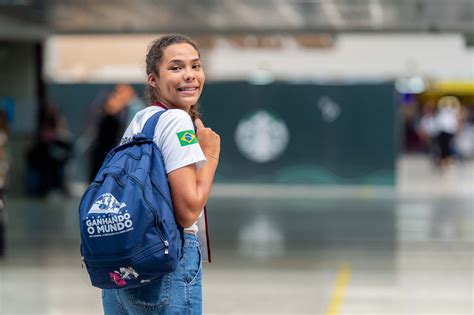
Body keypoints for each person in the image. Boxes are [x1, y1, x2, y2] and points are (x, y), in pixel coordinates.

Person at [101, 34, 220, 314]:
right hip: (163, 266)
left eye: (196, 66)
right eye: (176, 68)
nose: (190, 75)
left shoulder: (143, 119)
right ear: (153, 79)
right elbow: (187, 211)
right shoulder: (178, 121)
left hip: (122, 270)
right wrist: (211, 153)